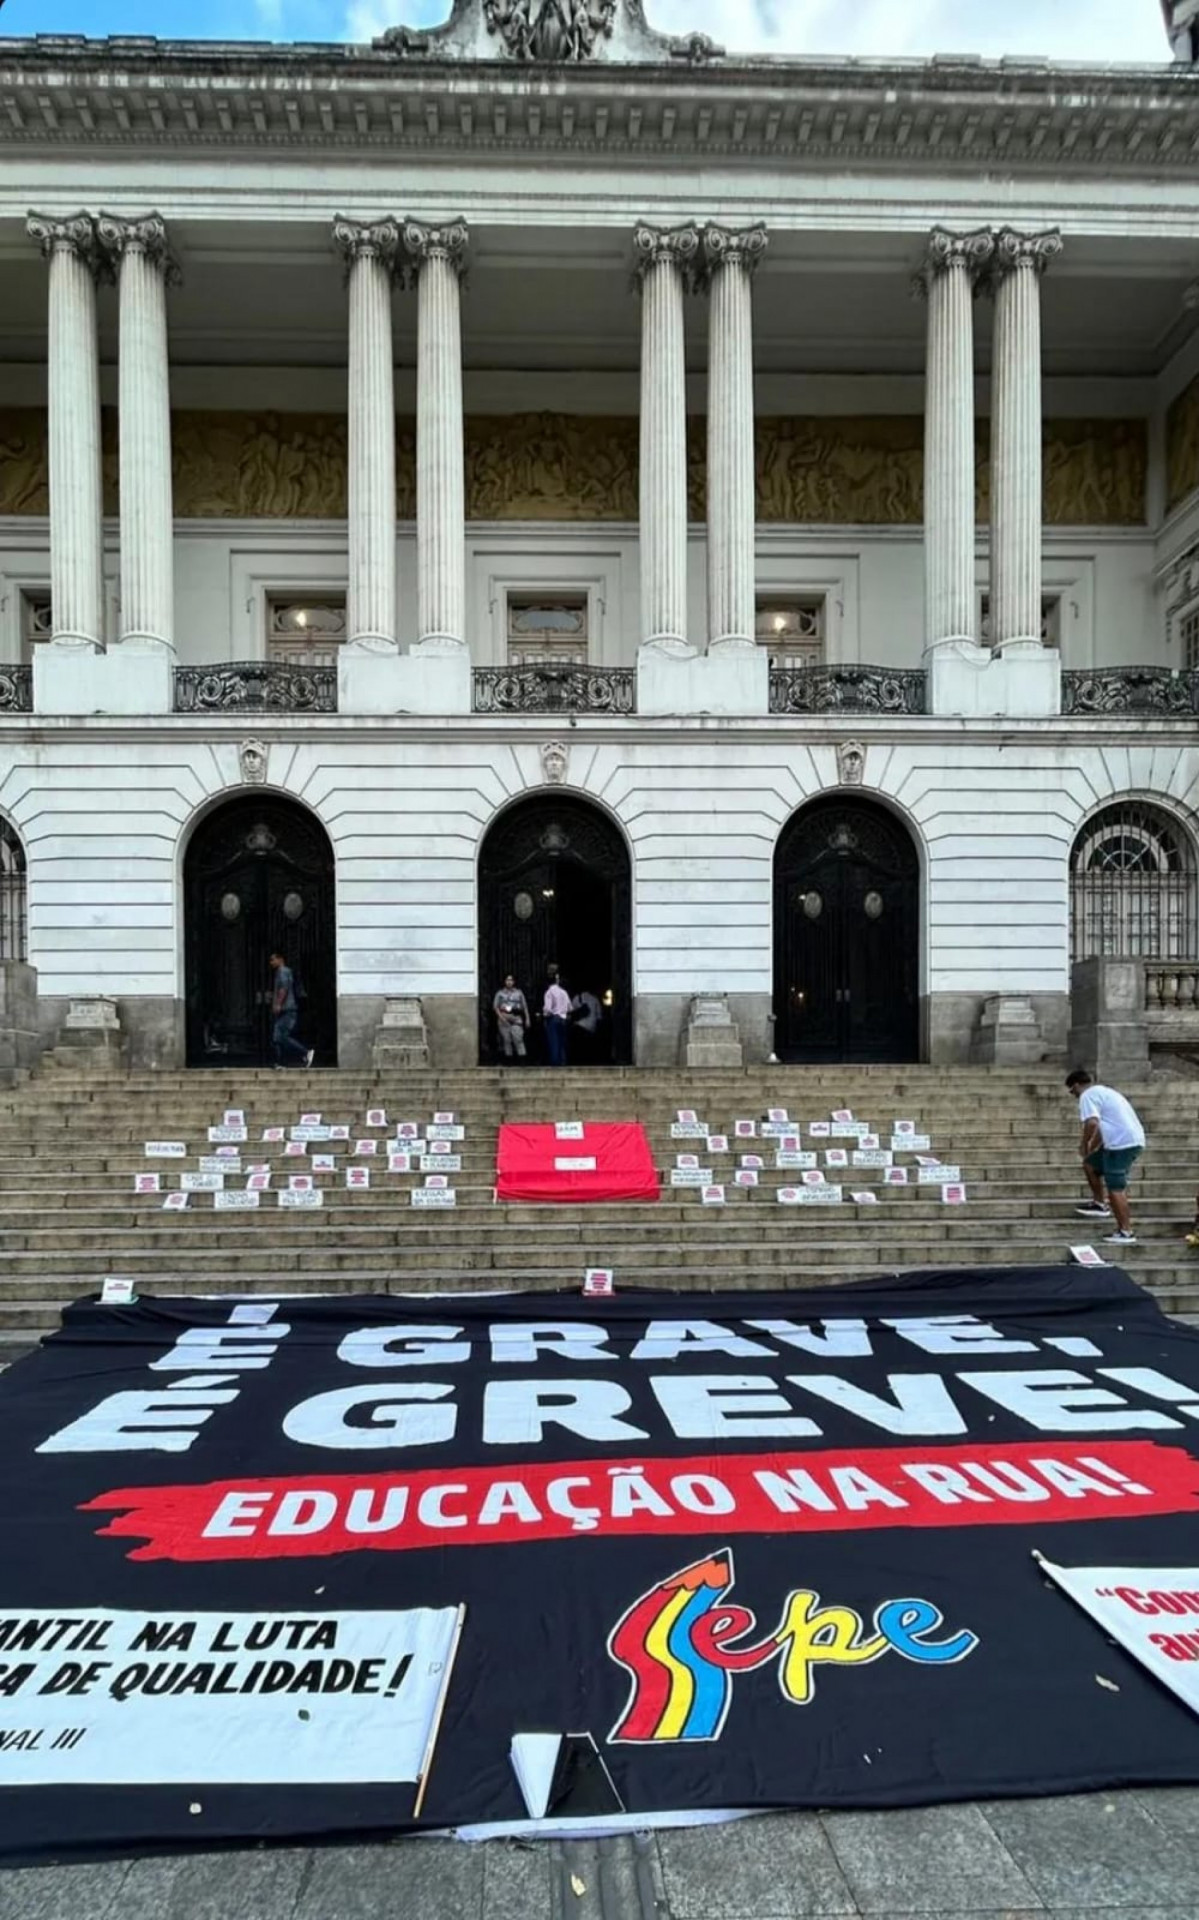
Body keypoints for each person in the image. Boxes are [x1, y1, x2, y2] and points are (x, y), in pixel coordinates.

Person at [1066, 1067, 1145, 1246]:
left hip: (1122, 1145)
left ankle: (1126, 1231)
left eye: (1072, 1091)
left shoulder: (1087, 1096)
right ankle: (1099, 1203)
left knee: (1115, 1188)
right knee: (1090, 1165)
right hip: (1126, 1141)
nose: (1074, 1096)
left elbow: (1092, 1122)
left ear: (1077, 1085)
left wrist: (1084, 1143)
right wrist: (1092, 1149)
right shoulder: (1105, 1092)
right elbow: (1104, 1126)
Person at [270, 951, 313, 1069]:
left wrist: (278, 1004)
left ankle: (305, 1052)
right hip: (287, 1009)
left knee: (281, 1036)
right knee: (277, 1037)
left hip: (287, 1009)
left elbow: (283, 988)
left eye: (273, 959)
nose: (271, 963)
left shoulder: (282, 971)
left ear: (280, 959)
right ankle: (279, 1063)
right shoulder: (286, 972)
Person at [493, 974, 530, 1061]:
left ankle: (522, 1059)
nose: (509, 982)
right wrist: (501, 1017)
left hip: (516, 1017)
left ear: (514, 982)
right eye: (507, 980)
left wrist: (527, 1018)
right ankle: (509, 1059)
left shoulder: (519, 993)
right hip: (504, 1017)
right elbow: (495, 1007)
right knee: (507, 1040)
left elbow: (524, 1006)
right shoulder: (500, 993)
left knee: (518, 1039)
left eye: (511, 980)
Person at [543, 972, 571, 1067]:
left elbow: (548, 1008)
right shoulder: (564, 992)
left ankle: (555, 1062)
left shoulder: (549, 992)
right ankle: (563, 1061)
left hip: (554, 1018)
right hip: (563, 1018)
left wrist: (545, 1014)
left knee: (554, 1041)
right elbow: (570, 1007)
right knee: (562, 1042)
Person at [570, 987, 602, 1064]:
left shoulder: (577, 997)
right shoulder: (595, 999)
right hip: (591, 1028)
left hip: (579, 1027)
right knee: (589, 1051)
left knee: (578, 1051)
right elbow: (599, 1016)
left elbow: (571, 1012)